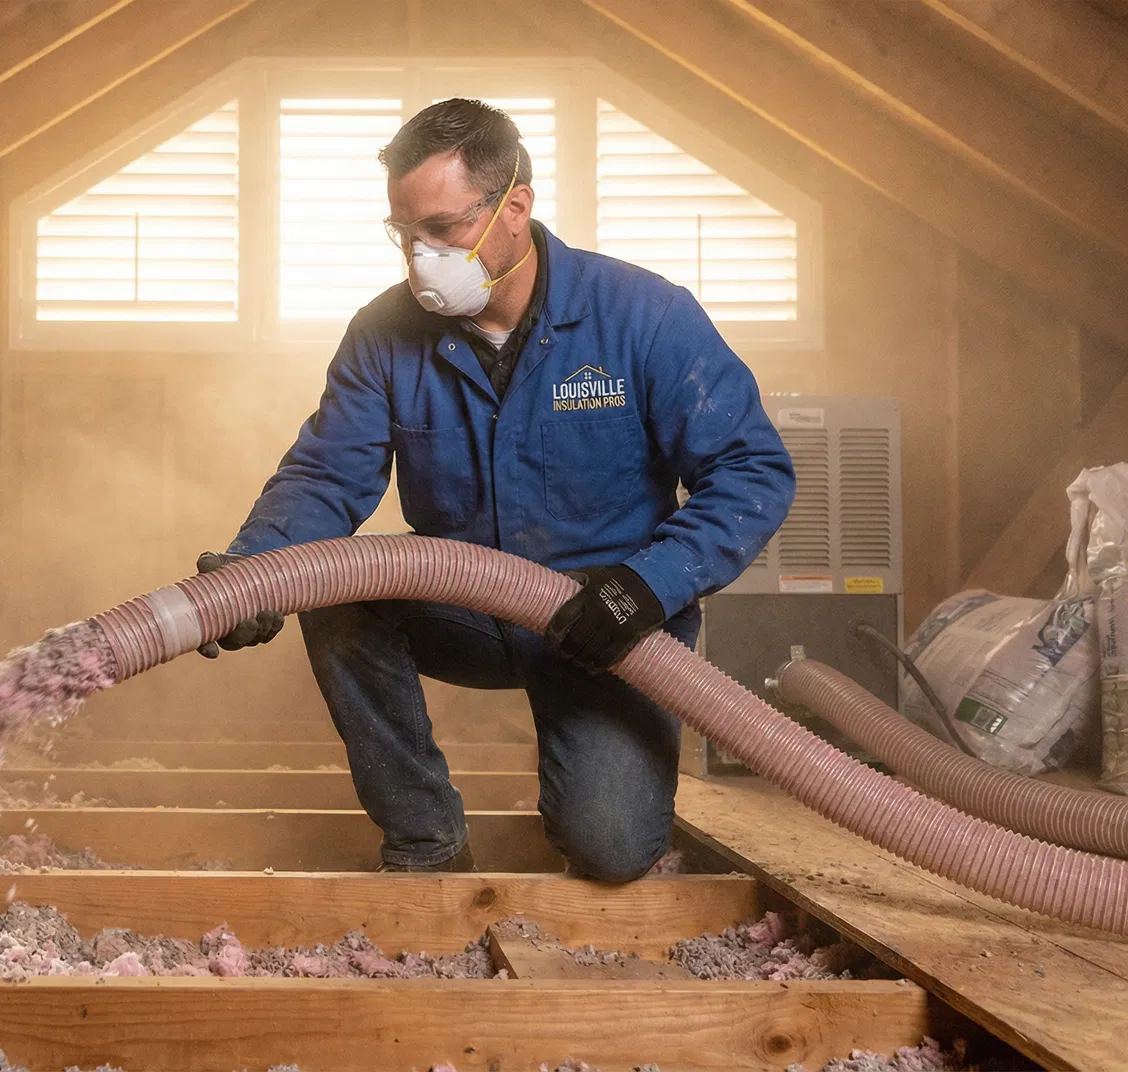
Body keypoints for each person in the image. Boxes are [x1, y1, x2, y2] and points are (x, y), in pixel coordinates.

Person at [199, 99, 794, 878]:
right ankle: (427, 843)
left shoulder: (643, 316)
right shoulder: (383, 333)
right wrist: (256, 569)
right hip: (467, 607)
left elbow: (752, 471)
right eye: (404, 234)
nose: (420, 257)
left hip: (608, 621)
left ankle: (591, 800)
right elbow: (326, 472)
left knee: (610, 850)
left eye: (441, 230)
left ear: (515, 207)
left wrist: (645, 587)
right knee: (337, 589)